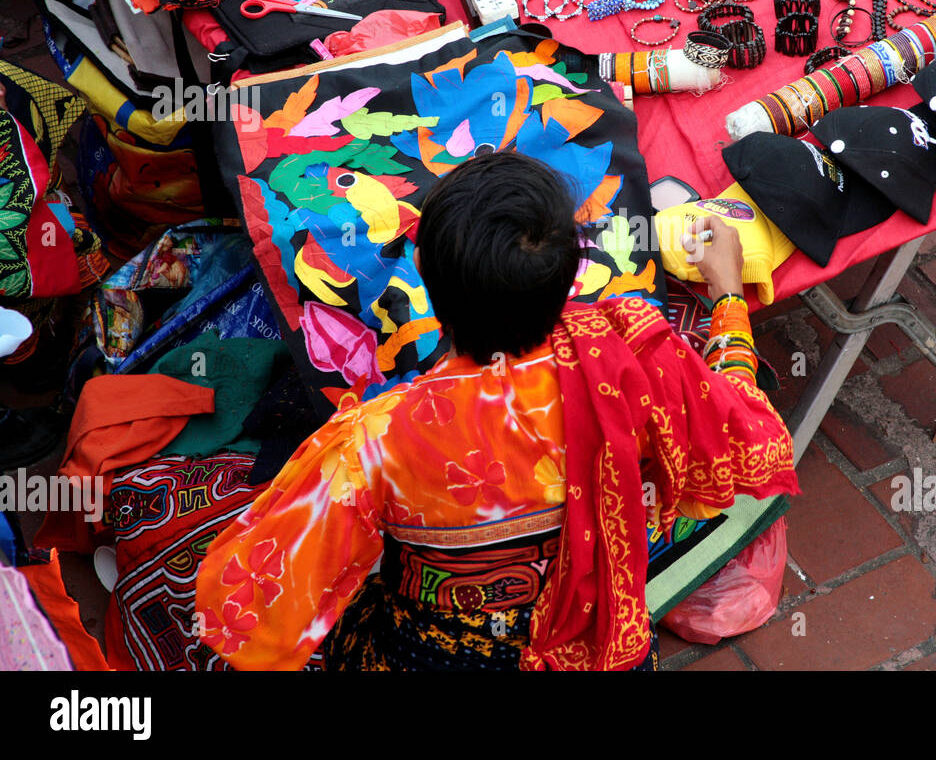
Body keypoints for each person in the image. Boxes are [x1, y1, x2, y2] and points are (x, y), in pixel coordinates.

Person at [194, 153, 799, 671]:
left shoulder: (376, 440)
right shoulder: (630, 353)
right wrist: (726, 295)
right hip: (600, 643)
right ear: (570, 279)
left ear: (425, 276)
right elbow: (750, 433)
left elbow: (246, 613)